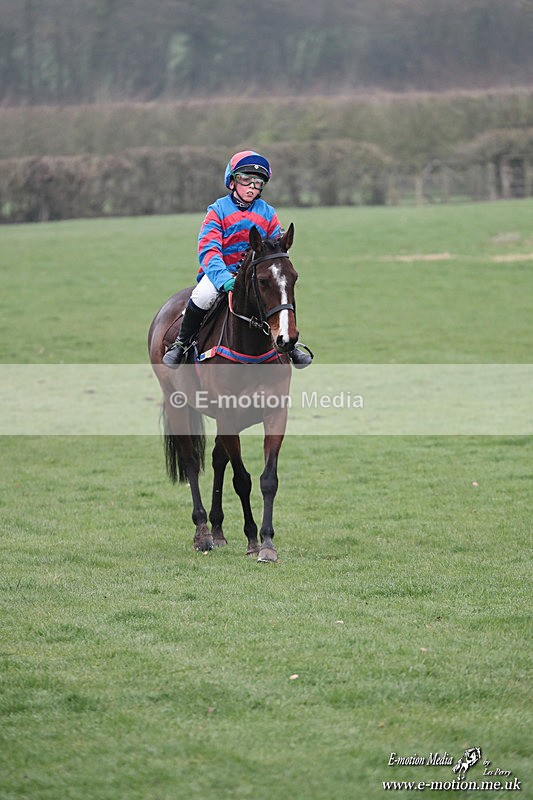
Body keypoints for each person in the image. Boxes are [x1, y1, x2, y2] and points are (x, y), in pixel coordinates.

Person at [162, 150, 313, 368]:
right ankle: (181, 344)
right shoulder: (217, 211)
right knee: (203, 296)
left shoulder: (268, 213)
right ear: (232, 182)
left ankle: (290, 347)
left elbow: (277, 246)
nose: (252, 187)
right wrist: (224, 279)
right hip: (222, 275)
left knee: (281, 292)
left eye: (258, 183)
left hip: (256, 275)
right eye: (245, 180)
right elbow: (208, 250)